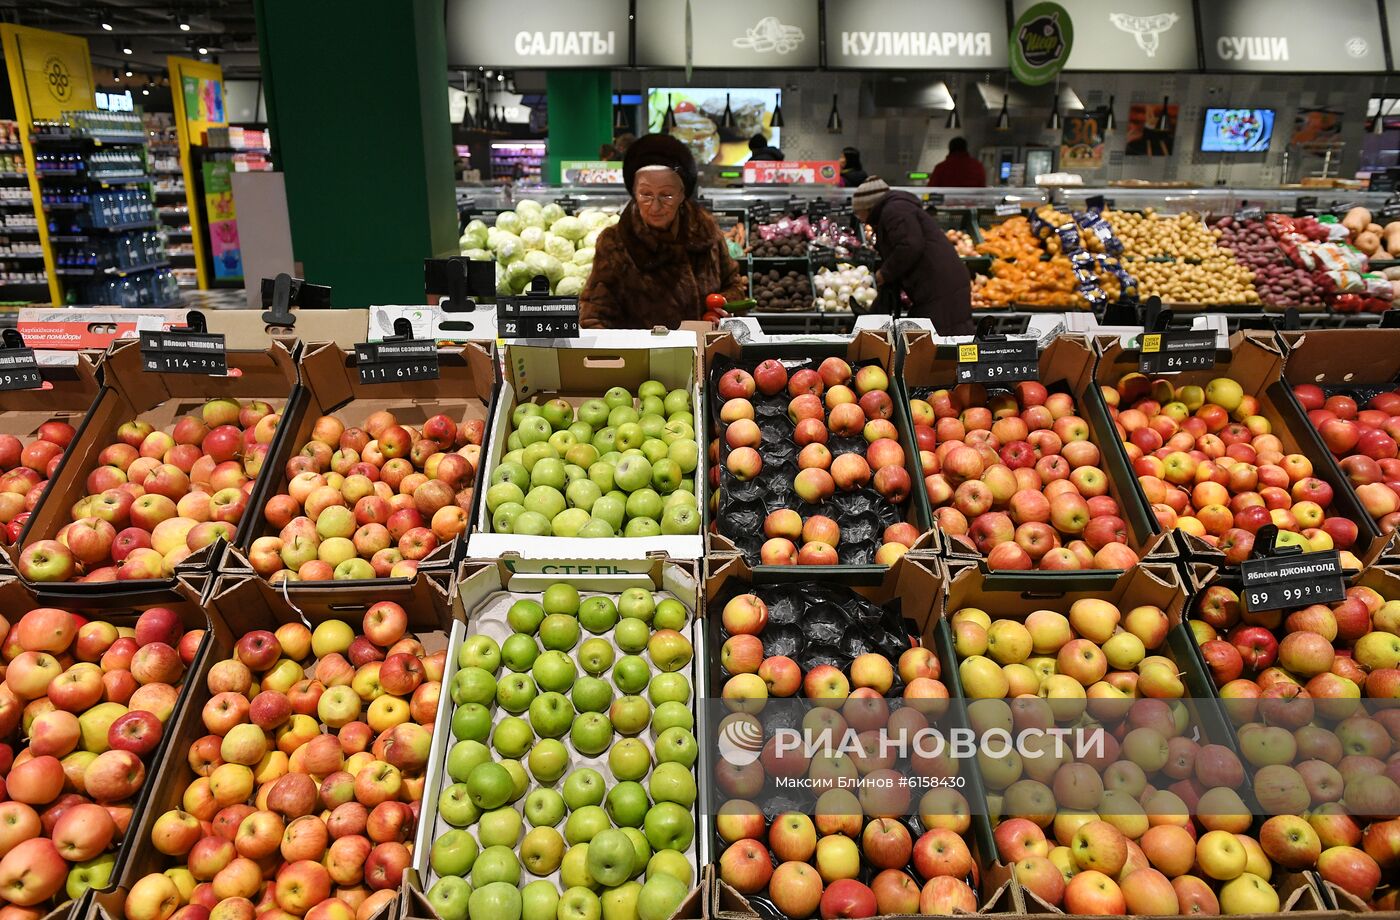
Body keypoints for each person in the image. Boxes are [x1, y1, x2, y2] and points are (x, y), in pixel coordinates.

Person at [580, 134, 746, 329]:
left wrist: (724, 305)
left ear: (682, 194)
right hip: (645, 357)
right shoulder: (615, 244)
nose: (655, 206)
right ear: (634, 192)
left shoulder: (706, 233)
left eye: (666, 195)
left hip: (705, 352)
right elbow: (593, 317)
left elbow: (734, 286)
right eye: (646, 194)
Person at [853, 176, 974, 335]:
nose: (857, 217)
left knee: (938, 340)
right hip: (939, 283)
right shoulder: (895, 209)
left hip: (938, 286)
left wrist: (885, 272)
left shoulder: (894, 210)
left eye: (857, 212)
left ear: (867, 207)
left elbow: (910, 245)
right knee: (935, 335)